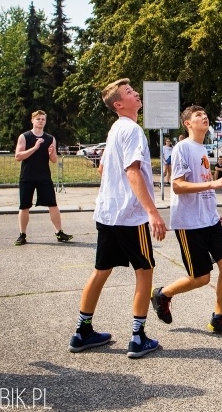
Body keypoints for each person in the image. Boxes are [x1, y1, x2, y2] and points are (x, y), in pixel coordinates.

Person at [68, 78, 167, 359]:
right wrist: (152, 212)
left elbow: (102, 169)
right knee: (145, 270)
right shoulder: (133, 130)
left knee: (101, 270)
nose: (135, 93)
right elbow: (132, 172)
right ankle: (138, 337)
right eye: (128, 92)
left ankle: (82, 331)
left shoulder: (115, 130)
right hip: (129, 216)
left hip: (107, 212)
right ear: (119, 104)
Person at [150, 105, 222, 339]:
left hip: (209, 220)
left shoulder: (202, 149)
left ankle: (218, 318)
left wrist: (213, 210)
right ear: (188, 123)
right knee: (201, 278)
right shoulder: (182, 148)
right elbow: (178, 186)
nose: (204, 117)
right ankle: (162, 294)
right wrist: (214, 184)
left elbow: (202, 185)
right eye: (198, 115)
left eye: (205, 114)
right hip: (189, 224)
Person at [14, 110, 72, 246]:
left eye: (43, 119)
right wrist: (35, 148)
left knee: (53, 204)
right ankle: (22, 234)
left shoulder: (50, 138)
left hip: (44, 177)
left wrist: (51, 153)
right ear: (32, 120)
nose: (40, 121)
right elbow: (18, 156)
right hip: (27, 176)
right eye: (38, 119)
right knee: (24, 206)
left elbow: (54, 160)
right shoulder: (24, 136)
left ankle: (59, 232)